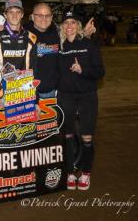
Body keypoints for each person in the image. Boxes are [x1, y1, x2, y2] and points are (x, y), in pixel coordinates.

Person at [57, 11, 104, 191]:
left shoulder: (89, 45)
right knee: (68, 136)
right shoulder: (58, 47)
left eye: (73, 22)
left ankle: (85, 173)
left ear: (78, 26)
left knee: (86, 136)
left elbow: (100, 73)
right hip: (65, 95)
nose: (69, 26)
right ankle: (69, 172)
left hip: (87, 96)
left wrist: (82, 70)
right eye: (66, 23)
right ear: (62, 27)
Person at [24, 2, 97, 98]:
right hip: (27, 92)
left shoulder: (57, 33)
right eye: (40, 15)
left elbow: (72, 42)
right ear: (32, 17)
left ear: (51, 17)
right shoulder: (22, 34)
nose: (44, 19)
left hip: (51, 91)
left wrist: (85, 34)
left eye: (47, 15)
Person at [0, 0, 37, 106]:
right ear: (5, 14)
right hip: (0, 96)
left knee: (24, 124)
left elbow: (34, 70)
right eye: (11, 12)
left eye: (18, 12)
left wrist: (35, 99)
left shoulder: (31, 38)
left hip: (24, 94)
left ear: (22, 14)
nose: (14, 15)